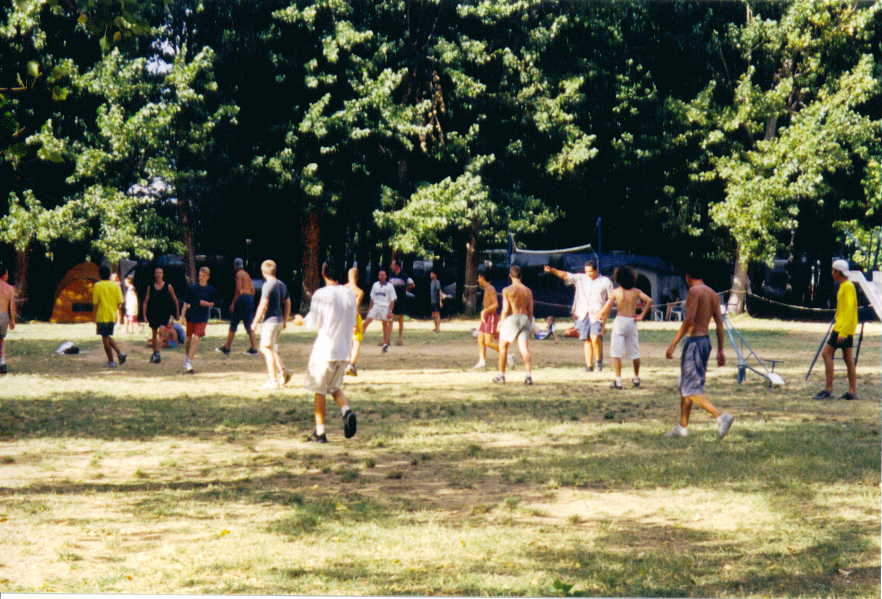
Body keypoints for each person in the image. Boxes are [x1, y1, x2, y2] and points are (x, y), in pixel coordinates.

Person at [664, 261, 733, 439]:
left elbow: (689, 320)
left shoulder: (694, 291)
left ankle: (720, 416)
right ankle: (682, 427)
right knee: (687, 385)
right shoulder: (713, 294)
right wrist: (720, 350)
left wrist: (673, 343)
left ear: (688, 277)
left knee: (691, 389)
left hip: (694, 341)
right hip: (705, 341)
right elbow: (719, 323)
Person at [293, 262, 358, 443]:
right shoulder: (349, 294)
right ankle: (346, 410)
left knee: (319, 391)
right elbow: (353, 322)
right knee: (334, 388)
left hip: (325, 349)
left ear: (323, 274)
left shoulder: (321, 294)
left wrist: (299, 321)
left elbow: (313, 322)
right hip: (344, 349)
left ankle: (320, 432)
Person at [544, 260, 613, 372]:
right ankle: (588, 366)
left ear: (596, 270)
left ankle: (598, 363)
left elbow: (611, 300)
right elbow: (565, 275)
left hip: (597, 314)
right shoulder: (581, 278)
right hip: (582, 313)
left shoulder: (605, 282)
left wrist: (604, 318)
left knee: (595, 338)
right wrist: (552, 270)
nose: (587, 274)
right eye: (585, 271)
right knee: (586, 340)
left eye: (589, 271)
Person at [596, 267, 653, 389]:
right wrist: (642, 315)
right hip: (631, 321)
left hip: (620, 321)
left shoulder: (616, 292)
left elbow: (606, 309)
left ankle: (618, 380)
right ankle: (636, 378)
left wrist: (599, 315)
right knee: (635, 352)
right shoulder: (636, 291)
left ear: (618, 279)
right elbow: (649, 300)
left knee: (616, 353)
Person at [813, 259, 859, 400]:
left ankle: (829, 389)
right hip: (844, 327)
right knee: (848, 359)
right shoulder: (844, 285)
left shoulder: (847, 286)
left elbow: (850, 310)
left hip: (842, 329)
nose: (832, 273)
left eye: (834, 271)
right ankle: (852, 391)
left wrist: (843, 331)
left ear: (839, 272)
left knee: (826, 354)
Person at [252, 259, 292, 389]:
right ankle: (284, 371)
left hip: (270, 321)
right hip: (279, 321)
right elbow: (287, 302)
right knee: (272, 348)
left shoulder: (268, 285)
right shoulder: (281, 284)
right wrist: (285, 320)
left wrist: (255, 322)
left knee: (265, 348)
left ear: (263, 272)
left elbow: (263, 305)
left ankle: (273, 380)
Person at [493, 265, 534, 385]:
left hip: (513, 318)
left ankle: (501, 375)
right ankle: (528, 375)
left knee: (503, 346)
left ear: (510, 276)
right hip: (525, 318)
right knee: (524, 348)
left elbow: (505, 309)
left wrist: (500, 322)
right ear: (521, 276)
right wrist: (529, 323)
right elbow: (530, 310)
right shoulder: (528, 291)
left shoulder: (507, 290)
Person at [217, 258, 258, 356]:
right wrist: (249, 298)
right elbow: (253, 290)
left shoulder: (238, 274)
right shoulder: (247, 275)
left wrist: (233, 303)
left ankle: (227, 348)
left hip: (242, 300)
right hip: (249, 299)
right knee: (249, 324)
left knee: (234, 323)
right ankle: (254, 348)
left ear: (235, 266)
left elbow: (238, 290)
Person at [181, 266, 218, 374]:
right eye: (200, 276)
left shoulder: (211, 290)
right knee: (188, 339)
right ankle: (187, 357)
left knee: (196, 338)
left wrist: (207, 304)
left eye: (203, 276)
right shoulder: (192, 288)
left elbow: (213, 303)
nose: (200, 278)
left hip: (202, 317)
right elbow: (186, 303)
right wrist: (182, 316)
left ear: (207, 277)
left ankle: (189, 362)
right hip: (191, 315)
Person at [474, 270, 513, 369]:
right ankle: (482, 361)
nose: (477, 280)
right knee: (480, 339)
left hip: (491, 317)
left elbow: (495, 305)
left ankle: (508, 355)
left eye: (478, 278)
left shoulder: (490, 289)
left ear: (482, 277)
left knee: (488, 342)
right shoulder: (486, 288)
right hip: (486, 317)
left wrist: (484, 311)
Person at [143, 266, 181, 364]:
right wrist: (144, 315)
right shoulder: (150, 286)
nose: (158, 274)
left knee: (163, 332)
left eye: (160, 273)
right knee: (154, 333)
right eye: (157, 273)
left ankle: (157, 353)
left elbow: (175, 300)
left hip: (165, 313)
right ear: (154, 274)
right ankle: (155, 354)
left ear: (163, 274)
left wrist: (177, 313)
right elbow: (146, 301)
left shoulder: (168, 286)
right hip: (153, 312)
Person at [92, 265, 127, 368]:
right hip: (112, 315)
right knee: (106, 336)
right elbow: (120, 302)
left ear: (99, 274)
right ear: (109, 275)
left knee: (105, 338)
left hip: (102, 315)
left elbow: (95, 302)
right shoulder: (115, 285)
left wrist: (93, 316)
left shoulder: (98, 285)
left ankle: (111, 361)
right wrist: (118, 315)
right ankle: (120, 354)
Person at [362, 269, 397, 352]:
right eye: (380, 275)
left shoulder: (389, 286)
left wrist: (390, 311)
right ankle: (358, 339)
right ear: (378, 276)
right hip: (376, 306)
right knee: (366, 322)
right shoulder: (375, 285)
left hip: (385, 307)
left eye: (383, 275)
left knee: (385, 325)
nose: (381, 276)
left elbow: (392, 300)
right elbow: (372, 298)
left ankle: (385, 344)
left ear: (386, 276)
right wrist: (369, 309)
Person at [388, 259, 414, 345]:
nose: (391, 266)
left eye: (392, 264)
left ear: (397, 266)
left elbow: (412, 284)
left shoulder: (404, 276)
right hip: (392, 300)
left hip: (401, 300)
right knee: (390, 318)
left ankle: (400, 339)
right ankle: (388, 338)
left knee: (400, 319)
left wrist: (405, 289)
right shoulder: (391, 275)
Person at [345, 267, 365, 376]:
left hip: (343, 318)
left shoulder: (342, 289)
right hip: (353, 317)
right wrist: (355, 323)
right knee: (356, 343)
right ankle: (351, 365)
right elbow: (355, 307)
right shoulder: (359, 292)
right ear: (357, 277)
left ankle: (345, 363)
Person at [0, 264, 16, 374]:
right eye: (7, 273)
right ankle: (2, 362)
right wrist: (12, 320)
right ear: (4, 275)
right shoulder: (9, 288)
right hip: (3, 316)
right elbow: (12, 306)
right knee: (1, 340)